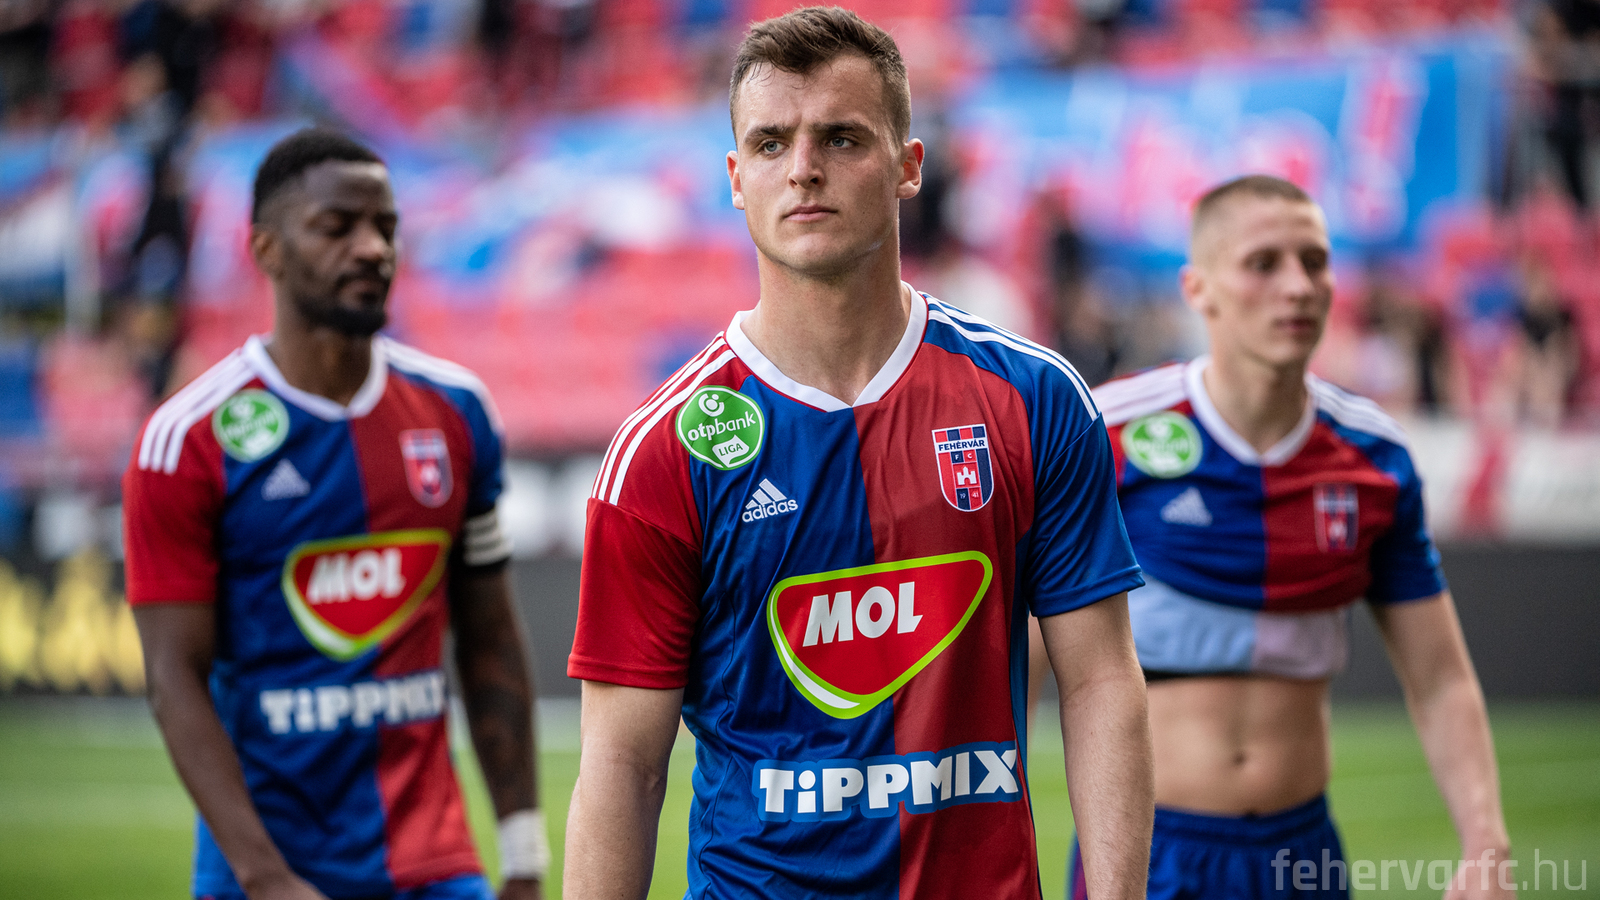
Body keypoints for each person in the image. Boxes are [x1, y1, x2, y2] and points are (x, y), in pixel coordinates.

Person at [563, 8, 1153, 899]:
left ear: (909, 166)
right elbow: (622, 766)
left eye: (841, 138)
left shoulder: (1032, 400)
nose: (803, 167)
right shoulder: (661, 452)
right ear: (736, 179)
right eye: (770, 144)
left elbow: (1101, 679)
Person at [123, 128, 547, 900]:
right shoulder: (186, 441)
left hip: (437, 869)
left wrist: (523, 856)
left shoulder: (457, 413)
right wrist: (267, 879)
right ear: (266, 250)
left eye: (385, 227)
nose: (372, 249)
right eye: (337, 227)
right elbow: (173, 678)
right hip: (266, 875)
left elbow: (490, 637)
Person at [1079, 175, 1515, 899]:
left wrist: (1486, 843)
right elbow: (1025, 657)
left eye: (1315, 262)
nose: (1298, 286)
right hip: (1147, 856)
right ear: (1198, 289)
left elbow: (1440, 679)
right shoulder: (1107, 430)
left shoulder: (1374, 459)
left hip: (1303, 857)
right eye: (1264, 263)